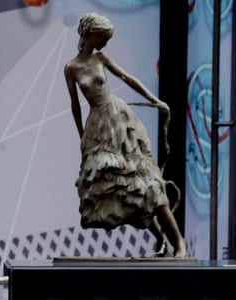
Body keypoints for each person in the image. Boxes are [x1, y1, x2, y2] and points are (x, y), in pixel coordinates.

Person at [64, 12, 186, 258]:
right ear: (90, 34)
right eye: (102, 37)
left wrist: (155, 100)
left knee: (146, 180)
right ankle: (163, 241)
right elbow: (75, 106)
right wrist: (81, 136)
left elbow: (128, 79)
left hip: (120, 121)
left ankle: (179, 243)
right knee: (126, 191)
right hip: (98, 128)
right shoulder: (71, 68)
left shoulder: (101, 59)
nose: (105, 43)